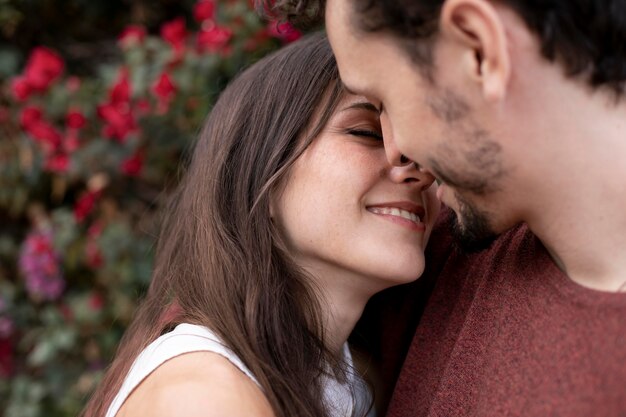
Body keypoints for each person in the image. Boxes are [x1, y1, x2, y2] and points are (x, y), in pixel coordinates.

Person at [261, 0, 626, 416]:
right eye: (370, 124)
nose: (399, 154)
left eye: (386, 101)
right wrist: (204, 375)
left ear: (478, 48)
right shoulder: (441, 251)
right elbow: (245, 278)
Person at [81, 32, 439, 417]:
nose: (416, 168)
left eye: (422, 143)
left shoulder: (351, 385)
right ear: (259, 178)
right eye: (366, 132)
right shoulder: (205, 397)